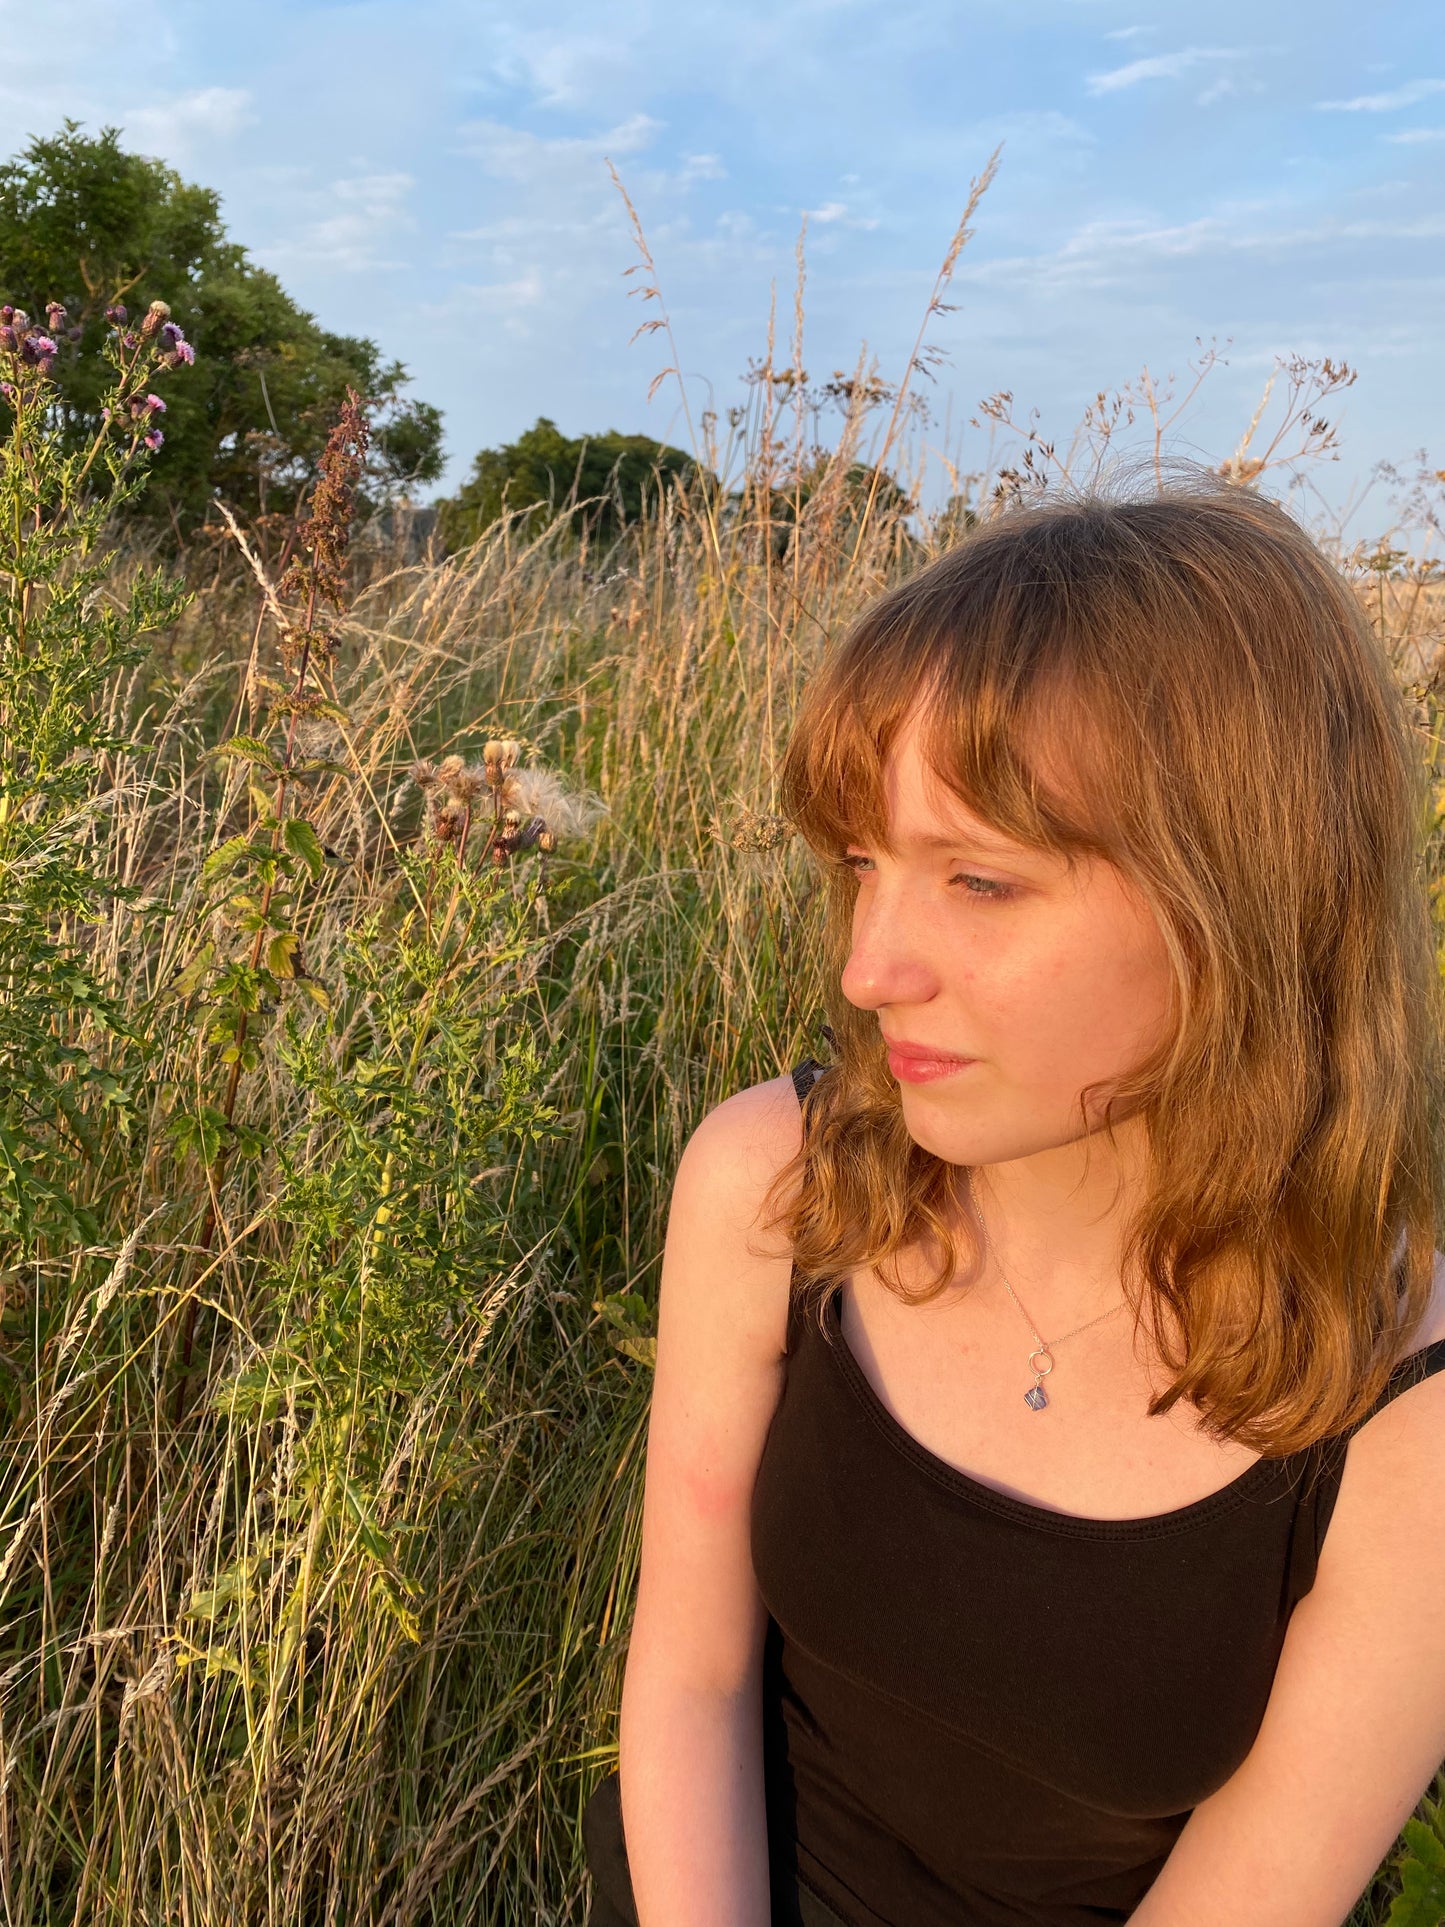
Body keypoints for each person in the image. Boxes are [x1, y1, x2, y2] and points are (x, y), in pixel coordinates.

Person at [581, 474, 1445, 1927]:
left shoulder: (1403, 1416)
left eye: (978, 881)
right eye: (862, 865)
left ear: (1244, 903)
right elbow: (690, 1673)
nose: (869, 970)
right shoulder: (779, 1185)